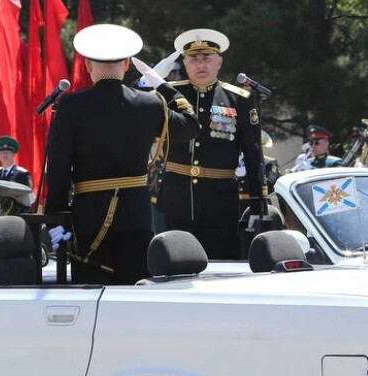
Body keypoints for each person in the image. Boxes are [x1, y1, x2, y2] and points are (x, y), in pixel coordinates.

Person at [44, 23, 198, 284]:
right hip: (136, 217)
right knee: (134, 293)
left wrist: (56, 219)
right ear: (126, 64)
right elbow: (190, 126)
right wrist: (162, 86)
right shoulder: (149, 102)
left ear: (88, 66)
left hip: (88, 220)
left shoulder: (70, 105)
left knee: (90, 291)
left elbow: (58, 169)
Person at [154, 28, 262, 260]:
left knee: (222, 265)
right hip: (177, 197)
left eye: (207, 58)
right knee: (176, 263)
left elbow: (253, 154)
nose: (200, 65)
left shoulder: (239, 99)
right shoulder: (167, 95)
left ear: (219, 62)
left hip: (221, 202)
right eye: (194, 58)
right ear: (184, 62)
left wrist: (257, 200)